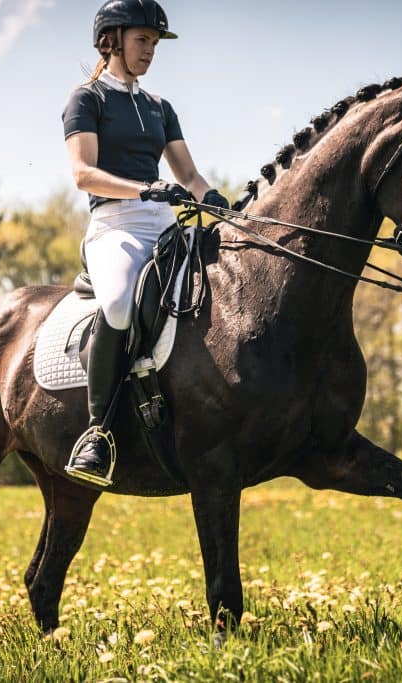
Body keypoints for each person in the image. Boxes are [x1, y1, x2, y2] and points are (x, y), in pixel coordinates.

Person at [61, 0, 229, 487]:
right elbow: (82, 173)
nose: (150, 52)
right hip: (115, 224)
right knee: (116, 305)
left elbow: (190, 175)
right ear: (111, 40)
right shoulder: (86, 99)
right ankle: (98, 433)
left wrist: (217, 201)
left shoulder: (160, 108)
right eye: (142, 41)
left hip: (163, 220)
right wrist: (142, 188)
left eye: (154, 44)